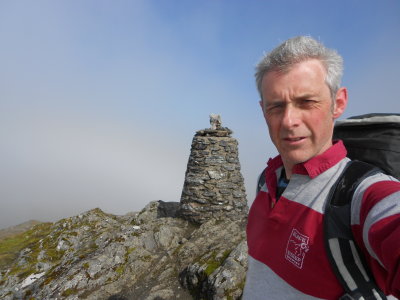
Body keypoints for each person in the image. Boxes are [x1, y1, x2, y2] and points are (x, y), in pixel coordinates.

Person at [243, 36, 400, 300]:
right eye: (276, 106)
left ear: (338, 103)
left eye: (307, 102)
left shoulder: (361, 197)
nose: (289, 121)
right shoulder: (266, 180)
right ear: (263, 110)